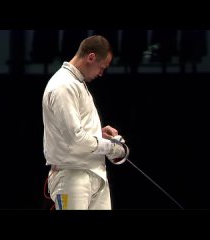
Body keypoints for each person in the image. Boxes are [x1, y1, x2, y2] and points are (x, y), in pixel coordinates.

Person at [42, 35, 129, 210]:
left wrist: (97, 133)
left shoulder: (76, 83)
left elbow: (75, 131)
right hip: (73, 177)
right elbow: (74, 138)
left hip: (94, 175)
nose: (101, 73)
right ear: (91, 57)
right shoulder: (64, 85)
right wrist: (110, 147)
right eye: (101, 67)